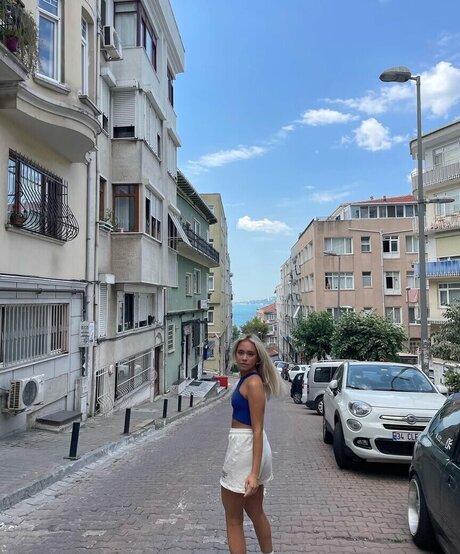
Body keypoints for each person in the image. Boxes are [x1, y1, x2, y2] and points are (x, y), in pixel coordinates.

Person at [220, 334, 284, 554]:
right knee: (256, 512)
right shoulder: (247, 378)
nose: (244, 358)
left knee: (233, 520)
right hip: (252, 447)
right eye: (241, 353)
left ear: (258, 358)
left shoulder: (253, 382)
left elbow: (257, 428)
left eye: (250, 354)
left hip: (245, 448)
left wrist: (254, 474)